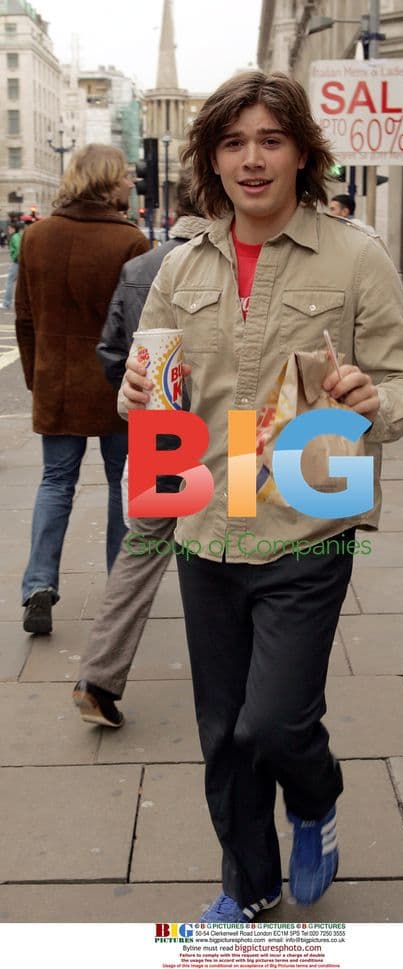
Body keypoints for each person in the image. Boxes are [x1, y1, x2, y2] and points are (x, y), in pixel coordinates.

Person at [121, 71, 403, 922]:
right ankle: (248, 885)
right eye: (232, 143)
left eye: (269, 141)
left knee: (274, 721)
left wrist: (377, 401)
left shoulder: (355, 256)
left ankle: (317, 797)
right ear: (210, 160)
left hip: (310, 517)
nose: (251, 160)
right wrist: (136, 403)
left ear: (301, 153)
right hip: (205, 526)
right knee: (223, 734)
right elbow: (154, 391)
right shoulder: (180, 266)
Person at [72, 170, 208, 728]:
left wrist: (143, 401)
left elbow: (113, 352)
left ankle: (99, 677)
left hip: (162, 431)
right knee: (238, 544)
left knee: (143, 547)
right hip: (230, 433)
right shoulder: (227, 262)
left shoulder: (138, 268)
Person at [16, 143, 149, 636]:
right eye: (126, 176)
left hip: (58, 382)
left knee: (55, 483)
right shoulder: (130, 243)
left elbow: (25, 319)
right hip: (117, 385)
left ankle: (38, 584)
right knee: (122, 485)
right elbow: (139, 326)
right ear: (108, 180)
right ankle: (119, 591)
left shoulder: (37, 237)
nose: (132, 183)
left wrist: (38, 379)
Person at [1, 222, 24, 309]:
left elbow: (18, 248)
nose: (8, 230)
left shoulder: (15, 237)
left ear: (14, 228)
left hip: (17, 262)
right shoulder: (19, 235)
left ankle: (6, 303)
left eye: (9, 228)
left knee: (9, 282)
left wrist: (15, 258)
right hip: (21, 262)